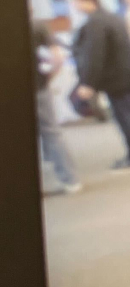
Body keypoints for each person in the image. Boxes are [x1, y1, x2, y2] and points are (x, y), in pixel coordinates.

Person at [67, 0, 130, 173]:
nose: (73, 5)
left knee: (124, 116)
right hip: (128, 75)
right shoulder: (113, 17)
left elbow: (94, 56)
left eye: (74, 1)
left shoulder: (95, 23)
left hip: (116, 79)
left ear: (86, 0)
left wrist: (88, 83)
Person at [33, 19, 81, 194]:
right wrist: (47, 78)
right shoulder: (36, 25)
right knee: (51, 132)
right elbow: (58, 58)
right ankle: (70, 180)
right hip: (37, 86)